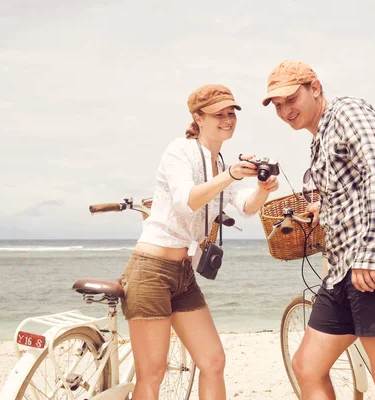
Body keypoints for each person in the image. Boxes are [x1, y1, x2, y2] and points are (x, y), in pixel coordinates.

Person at [262, 61, 375, 400]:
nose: (284, 110)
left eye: (290, 99)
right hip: (341, 271)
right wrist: (323, 210)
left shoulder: (349, 111)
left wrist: (368, 254)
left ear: (315, 87)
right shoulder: (318, 139)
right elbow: (352, 191)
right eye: (277, 105)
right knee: (307, 366)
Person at [122, 84, 279, 399]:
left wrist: (263, 189)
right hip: (152, 269)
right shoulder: (179, 150)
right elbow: (186, 201)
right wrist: (231, 175)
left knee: (212, 360)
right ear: (198, 117)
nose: (228, 119)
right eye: (218, 114)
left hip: (183, 273)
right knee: (152, 375)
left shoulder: (220, 161)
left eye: (231, 112)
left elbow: (246, 207)